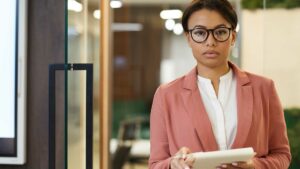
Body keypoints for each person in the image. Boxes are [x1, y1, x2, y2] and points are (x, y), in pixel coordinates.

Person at [148, 0, 291, 169]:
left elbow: (282, 155)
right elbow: (156, 164)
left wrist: (256, 166)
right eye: (200, 33)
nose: (210, 42)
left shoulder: (264, 88)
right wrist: (173, 164)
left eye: (220, 32)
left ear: (232, 37)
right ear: (188, 38)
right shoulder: (166, 95)